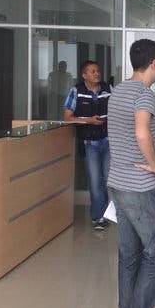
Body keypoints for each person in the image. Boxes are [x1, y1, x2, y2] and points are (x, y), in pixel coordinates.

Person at [107, 39, 155, 308]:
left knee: (129, 255)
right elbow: (142, 132)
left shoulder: (118, 91)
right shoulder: (144, 94)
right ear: (154, 63)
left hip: (118, 182)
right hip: (140, 186)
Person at [63, 60, 111, 231]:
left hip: (108, 141)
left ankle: (106, 213)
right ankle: (98, 217)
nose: (97, 74)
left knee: (108, 180)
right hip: (90, 144)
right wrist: (89, 120)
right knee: (95, 181)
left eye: (98, 71)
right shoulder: (76, 91)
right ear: (84, 75)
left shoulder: (108, 89)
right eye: (92, 71)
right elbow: (67, 118)